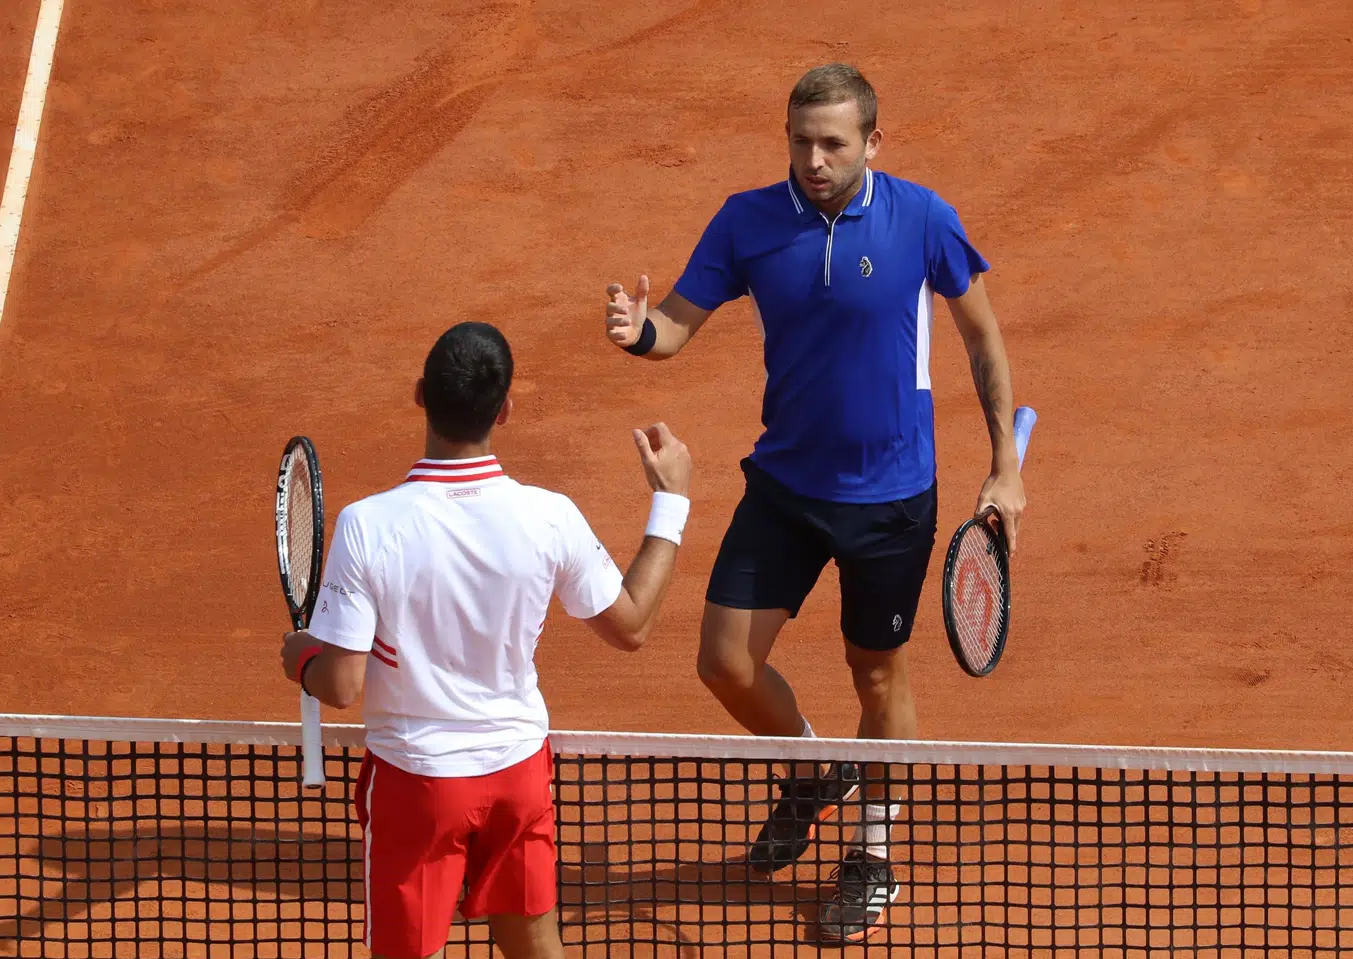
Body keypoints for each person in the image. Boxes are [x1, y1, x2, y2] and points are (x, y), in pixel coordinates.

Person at [602, 62, 1026, 942]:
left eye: (833, 142)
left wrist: (1003, 466)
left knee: (877, 674)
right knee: (724, 662)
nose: (814, 158)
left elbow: (981, 335)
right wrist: (640, 333)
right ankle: (811, 769)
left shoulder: (922, 218)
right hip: (788, 485)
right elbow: (678, 322)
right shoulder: (748, 220)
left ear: (875, 140)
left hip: (892, 499)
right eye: (800, 141)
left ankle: (874, 853)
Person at [280, 321, 693, 959]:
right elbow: (632, 624)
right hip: (518, 776)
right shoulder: (549, 515)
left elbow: (339, 684)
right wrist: (671, 500)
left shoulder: (368, 526)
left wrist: (301, 656)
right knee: (535, 948)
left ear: (420, 395)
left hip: (418, 786)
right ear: (505, 409)